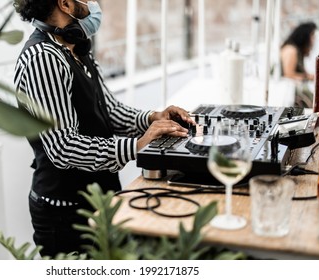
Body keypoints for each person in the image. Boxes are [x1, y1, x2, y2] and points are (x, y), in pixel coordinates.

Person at [13, 0, 194, 258]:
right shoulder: (42, 60)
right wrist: (137, 146)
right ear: (65, 4)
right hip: (66, 214)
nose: (93, 3)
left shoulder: (75, 47)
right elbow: (63, 147)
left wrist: (153, 118)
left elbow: (109, 111)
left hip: (98, 201)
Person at [280, 21, 317, 108]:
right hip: (290, 94)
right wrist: (309, 77)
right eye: (312, 36)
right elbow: (288, 74)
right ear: (305, 36)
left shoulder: (297, 51)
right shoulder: (291, 50)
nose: (314, 39)